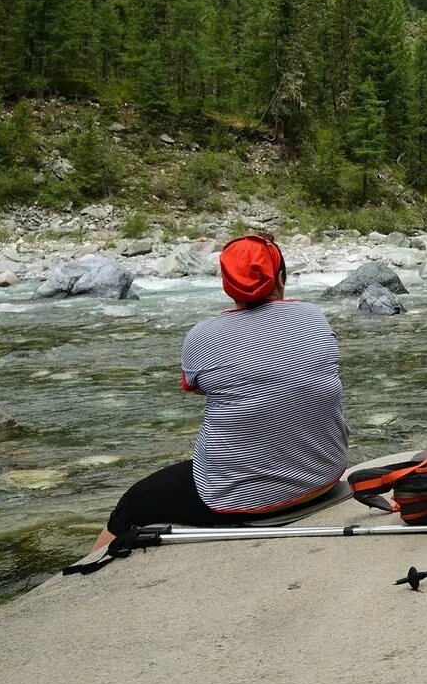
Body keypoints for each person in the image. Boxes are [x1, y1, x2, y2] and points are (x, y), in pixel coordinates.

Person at [86, 234, 347, 555]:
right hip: (325, 477)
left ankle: (80, 573)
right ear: (280, 277)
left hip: (240, 501)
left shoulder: (203, 335)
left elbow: (197, 388)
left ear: (227, 284)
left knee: (133, 502)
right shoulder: (313, 316)